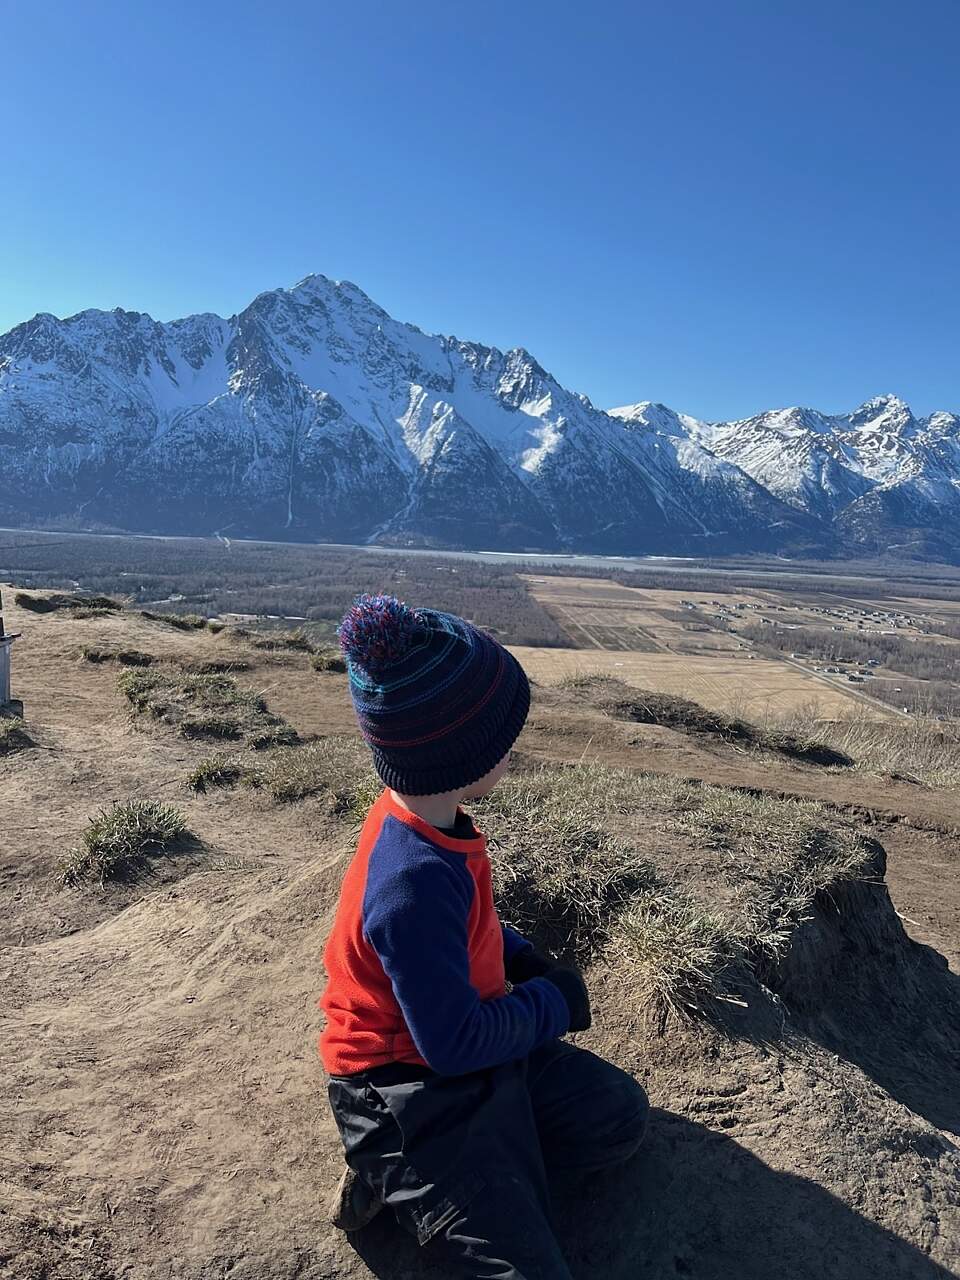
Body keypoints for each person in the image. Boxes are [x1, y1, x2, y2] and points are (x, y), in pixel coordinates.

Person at [319, 593, 649, 1279]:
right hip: (405, 1086)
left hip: (462, 1044)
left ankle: (483, 1165)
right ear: (459, 755)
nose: (513, 747)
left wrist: (520, 958)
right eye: (504, 735)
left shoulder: (431, 822)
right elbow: (454, 1044)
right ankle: (393, 1171)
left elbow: (469, 928)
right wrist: (552, 1005)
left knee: (617, 1118)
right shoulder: (408, 883)